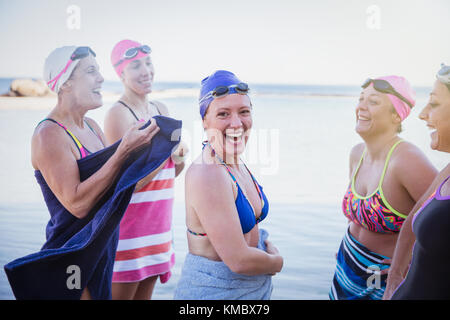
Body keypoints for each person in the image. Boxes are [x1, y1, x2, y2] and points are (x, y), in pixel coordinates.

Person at [3, 46, 182, 300]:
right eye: (91, 71)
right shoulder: (49, 134)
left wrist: (161, 150)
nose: (101, 78)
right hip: (74, 253)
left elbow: (114, 184)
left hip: (102, 247)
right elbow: (77, 204)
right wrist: (123, 151)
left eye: (99, 71)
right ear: (65, 83)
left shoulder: (93, 126)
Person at [173, 70, 283, 300]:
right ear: (205, 120)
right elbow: (239, 261)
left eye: (244, 112)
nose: (237, 123)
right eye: (223, 114)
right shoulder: (208, 174)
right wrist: (276, 261)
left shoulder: (233, 162)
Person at [329, 75, 437, 300]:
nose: (361, 106)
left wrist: (412, 265)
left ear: (397, 114)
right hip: (347, 270)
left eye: (373, 101)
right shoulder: (357, 154)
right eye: (361, 99)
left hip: (381, 283)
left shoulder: (407, 159)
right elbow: (356, 219)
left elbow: (442, 223)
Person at [104, 39, 187, 300]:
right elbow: (124, 184)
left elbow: (169, 174)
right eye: (136, 66)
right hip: (130, 231)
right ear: (121, 74)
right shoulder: (118, 114)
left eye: (148, 63)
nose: (145, 71)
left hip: (159, 226)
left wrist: (181, 156)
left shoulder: (161, 110)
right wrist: (163, 155)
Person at [386, 64, 450, 299]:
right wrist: (394, 280)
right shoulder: (448, 171)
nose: (422, 114)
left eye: (433, 103)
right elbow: (411, 222)